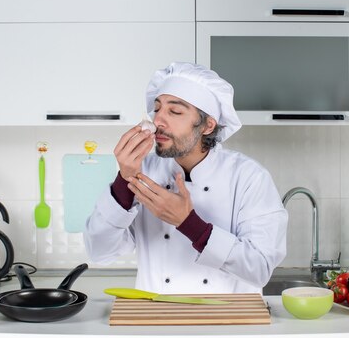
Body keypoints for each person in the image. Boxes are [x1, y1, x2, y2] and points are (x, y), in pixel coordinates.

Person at [84, 62, 287, 294]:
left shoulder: (249, 178)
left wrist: (189, 224)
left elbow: (259, 269)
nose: (157, 120)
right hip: (158, 321)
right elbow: (100, 252)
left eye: (175, 111)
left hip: (226, 322)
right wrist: (124, 180)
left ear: (208, 125)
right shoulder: (143, 171)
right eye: (157, 109)